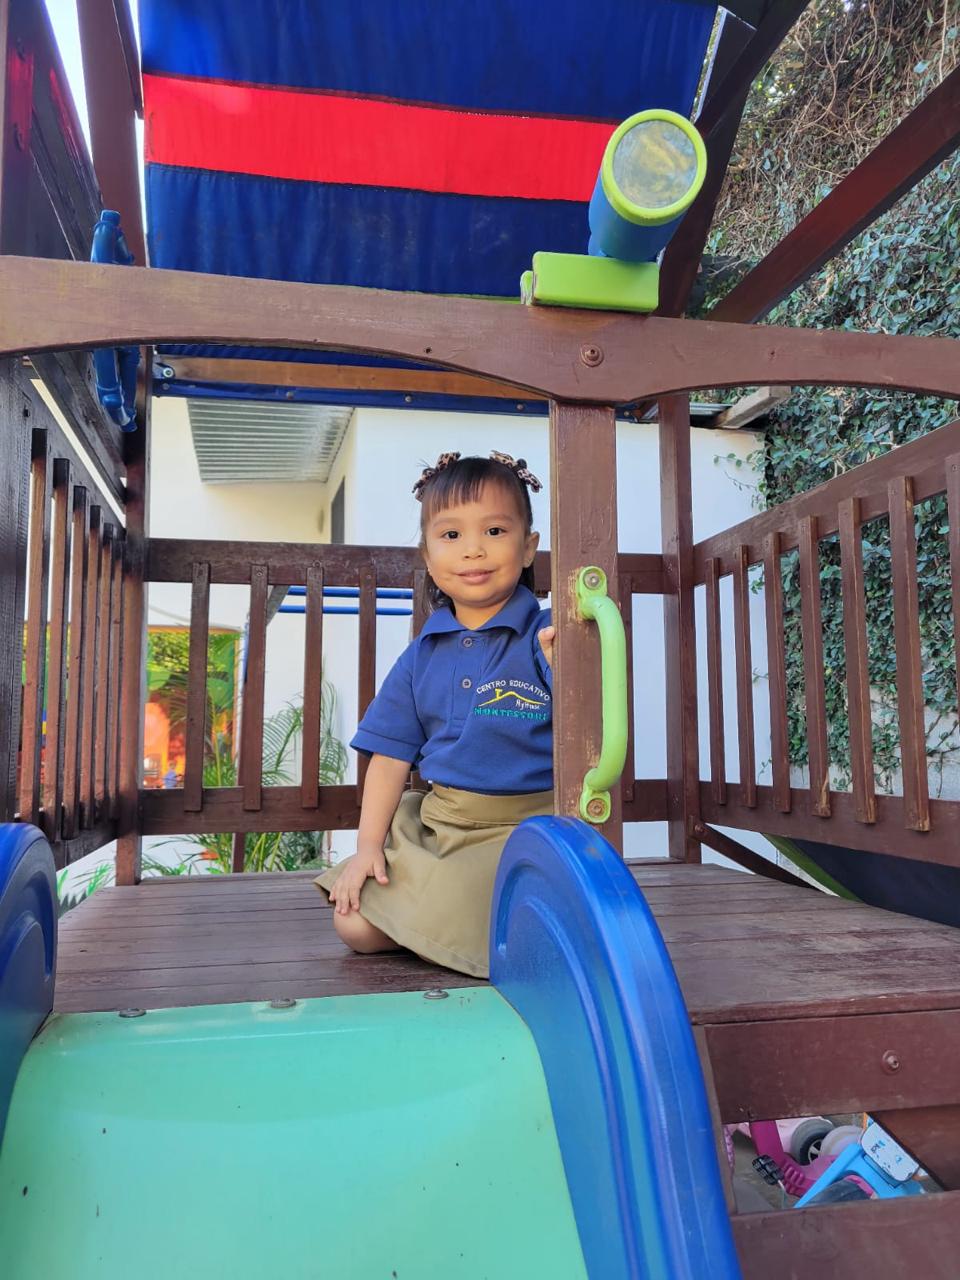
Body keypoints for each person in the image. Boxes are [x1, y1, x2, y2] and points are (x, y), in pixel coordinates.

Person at [315, 450, 555, 978]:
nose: (473, 549)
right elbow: (389, 758)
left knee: (471, 907)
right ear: (427, 555)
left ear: (528, 546)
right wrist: (367, 848)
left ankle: (463, 930)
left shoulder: (545, 633)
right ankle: (461, 930)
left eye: (495, 531)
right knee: (353, 926)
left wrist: (569, 662)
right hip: (440, 824)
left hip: (524, 830)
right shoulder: (422, 653)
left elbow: (590, 710)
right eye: (451, 535)